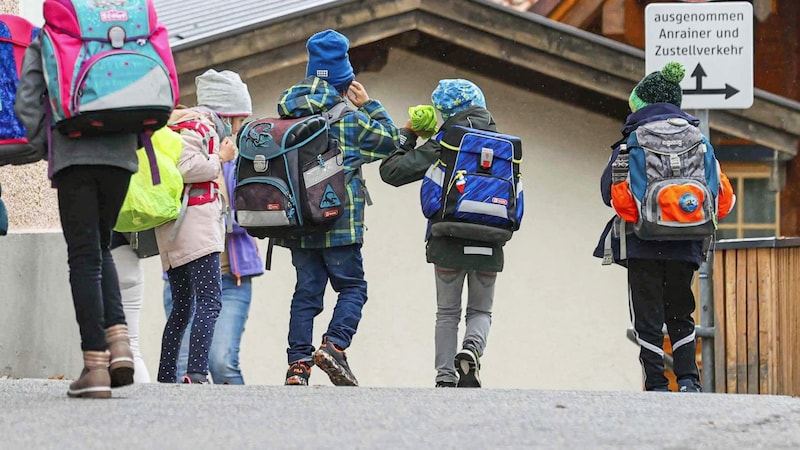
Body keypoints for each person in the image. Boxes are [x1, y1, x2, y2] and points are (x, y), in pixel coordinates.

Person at [592, 62, 735, 392]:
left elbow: (607, 194)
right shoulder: (699, 140)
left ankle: (656, 382)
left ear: (640, 105)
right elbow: (723, 199)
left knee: (648, 314)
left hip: (642, 240)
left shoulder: (632, 141)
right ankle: (688, 381)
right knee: (681, 310)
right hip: (687, 241)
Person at [15, 35, 137, 398]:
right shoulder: (128, 27)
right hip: (121, 154)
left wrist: (44, 146)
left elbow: (26, 102)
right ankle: (120, 345)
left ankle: (95, 366)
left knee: (83, 255)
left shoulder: (50, 34)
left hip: (74, 154)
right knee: (101, 245)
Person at [279, 29, 399, 387]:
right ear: (346, 78)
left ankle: (297, 366)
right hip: (340, 222)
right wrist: (370, 105)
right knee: (352, 288)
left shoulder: (288, 107)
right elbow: (392, 141)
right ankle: (333, 346)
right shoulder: (349, 116)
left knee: (306, 293)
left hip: (299, 220)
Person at [379, 79, 503, 388]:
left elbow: (392, 172)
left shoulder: (445, 141)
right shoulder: (503, 144)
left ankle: (446, 377)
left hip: (447, 236)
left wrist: (409, 133)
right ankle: (472, 349)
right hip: (490, 237)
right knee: (481, 309)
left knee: (447, 312)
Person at [154, 69, 246, 384]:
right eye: (238, 119)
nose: (237, 128)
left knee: (182, 305)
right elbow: (186, 167)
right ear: (228, 112)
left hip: (176, 226)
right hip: (194, 225)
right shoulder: (201, 126)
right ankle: (195, 372)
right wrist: (220, 158)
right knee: (210, 299)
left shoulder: (182, 123)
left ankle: (167, 375)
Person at [162, 158, 264, 384]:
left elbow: (250, 216)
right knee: (182, 369)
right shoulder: (179, 157)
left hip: (230, 281)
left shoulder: (237, 165)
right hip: (184, 280)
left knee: (222, 363)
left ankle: (238, 418)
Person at [109, 231, 154, 383]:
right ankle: (145, 400)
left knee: (102, 349)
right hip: (130, 258)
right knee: (132, 346)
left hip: (107, 258)